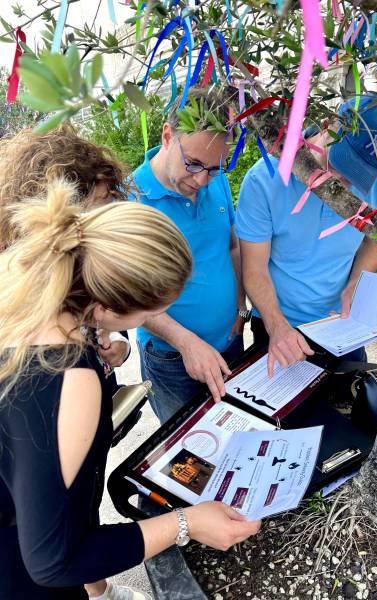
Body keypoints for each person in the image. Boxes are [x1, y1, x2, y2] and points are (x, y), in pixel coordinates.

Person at [0, 180, 260, 600]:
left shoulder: (22, 287)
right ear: (106, 305)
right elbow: (53, 561)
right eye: (155, 310)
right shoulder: (70, 378)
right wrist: (186, 523)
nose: (159, 317)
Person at [236, 94, 377, 375]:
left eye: (356, 174)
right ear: (328, 124)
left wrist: (355, 283)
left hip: (340, 324)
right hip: (280, 324)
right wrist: (278, 326)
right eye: (340, 164)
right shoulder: (263, 180)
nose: (342, 181)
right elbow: (254, 269)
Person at [131, 86, 249, 424]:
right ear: (168, 135)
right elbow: (127, 297)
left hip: (230, 340)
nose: (201, 180)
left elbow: (232, 246)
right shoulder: (130, 200)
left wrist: (241, 309)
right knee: (190, 457)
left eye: (214, 168)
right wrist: (186, 343)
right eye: (193, 164)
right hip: (172, 361)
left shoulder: (215, 181)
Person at [0, 124, 132, 369]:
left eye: (111, 199)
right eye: (101, 200)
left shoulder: (91, 257)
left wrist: (116, 339)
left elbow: (111, 317)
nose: (110, 211)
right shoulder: (17, 285)